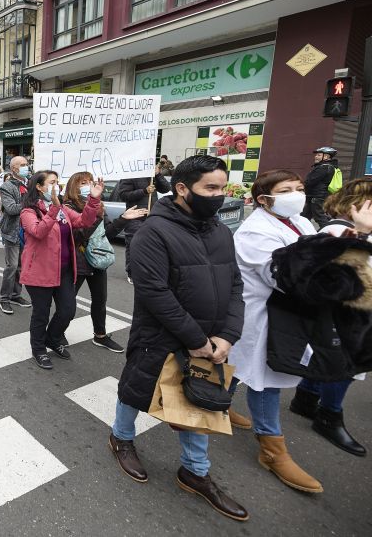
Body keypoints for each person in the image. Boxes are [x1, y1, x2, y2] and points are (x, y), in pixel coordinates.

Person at [110, 155, 248, 522]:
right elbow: (154, 292)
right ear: (183, 189)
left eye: (222, 187)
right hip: (161, 336)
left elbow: (235, 284)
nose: (219, 196)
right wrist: (194, 338)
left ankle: (195, 471)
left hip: (210, 338)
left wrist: (228, 334)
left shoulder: (220, 231)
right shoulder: (152, 232)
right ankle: (121, 437)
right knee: (135, 390)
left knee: (199, 403)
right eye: (211, 188)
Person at [230, 169, 323, 493]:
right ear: (263, 199)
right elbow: (284, 276)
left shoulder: (301, 222)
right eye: (287, 190)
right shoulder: (253, 232)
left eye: (299, 188)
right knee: (264, 376)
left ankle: (218, 406)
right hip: (262, 314)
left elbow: (315, 256)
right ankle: (272, 450)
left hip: (291, 313)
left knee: (236, 366)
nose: (296, 194)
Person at [289, 178, 372, 457]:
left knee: (332, 355)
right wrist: (361, 232)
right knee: (346, 363)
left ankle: (306, 396)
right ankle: (329, 415)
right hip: (345, 310)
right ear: (357, 205)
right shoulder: (339, 230)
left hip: (354, 308)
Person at [20, 171, 103, 369]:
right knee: (41, 313)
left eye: (57, 182)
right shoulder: (29, 212)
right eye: (52, 182)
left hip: (63, 270)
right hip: (40, 272)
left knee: (67, 310)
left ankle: (52, 338)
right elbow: (38, 232)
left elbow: (84, 221)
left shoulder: (64, 210)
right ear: (39, 187)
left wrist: (93, 199)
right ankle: (38, 348)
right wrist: (54, 208)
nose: (56, 186)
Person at [64, 172, 147, 353]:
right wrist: (93, 212)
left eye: (90, 182)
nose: (88, 185)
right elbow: (80, 235)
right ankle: (57, 332)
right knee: (67, 304)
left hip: (97, 260)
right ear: (73, 186)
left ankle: (100, 335)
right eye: (83, 183)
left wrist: (124, 218)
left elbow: (107, 233)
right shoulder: (68, 207)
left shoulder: (99, 206)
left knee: (100, 301)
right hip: (77, 261)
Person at [114, 168, 171, 284]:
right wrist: (144, 191)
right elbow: (124, 195)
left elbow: (166, 188)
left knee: (152, 246)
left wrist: (158, 174)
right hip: (135, 216)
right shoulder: (130, 173)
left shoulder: (152, 175)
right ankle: (132, 272)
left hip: (152, 216)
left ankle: (149, 271)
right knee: (134, 245)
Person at [0, 156, 32, 315]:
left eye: (27, 164)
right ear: (14, 169)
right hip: (12, 231)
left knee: (20, 266)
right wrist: (31, 202)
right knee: (11, 266)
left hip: (27, 231)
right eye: (23, 165)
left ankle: (15, 295)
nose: (26, 167)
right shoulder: (7, 186)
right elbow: (11, 209)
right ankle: (4, 298)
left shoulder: (30, 184)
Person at [302, 146, 338, 228]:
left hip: (317, 197)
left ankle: (329, 234)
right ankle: (301, 231)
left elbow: (311, 181)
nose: (316, 156)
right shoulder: (329, 166)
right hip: (315, 197)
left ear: (326, 156)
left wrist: (301, 186)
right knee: (304, 217)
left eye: (318, 155)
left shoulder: (324, 167)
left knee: (319, 217)